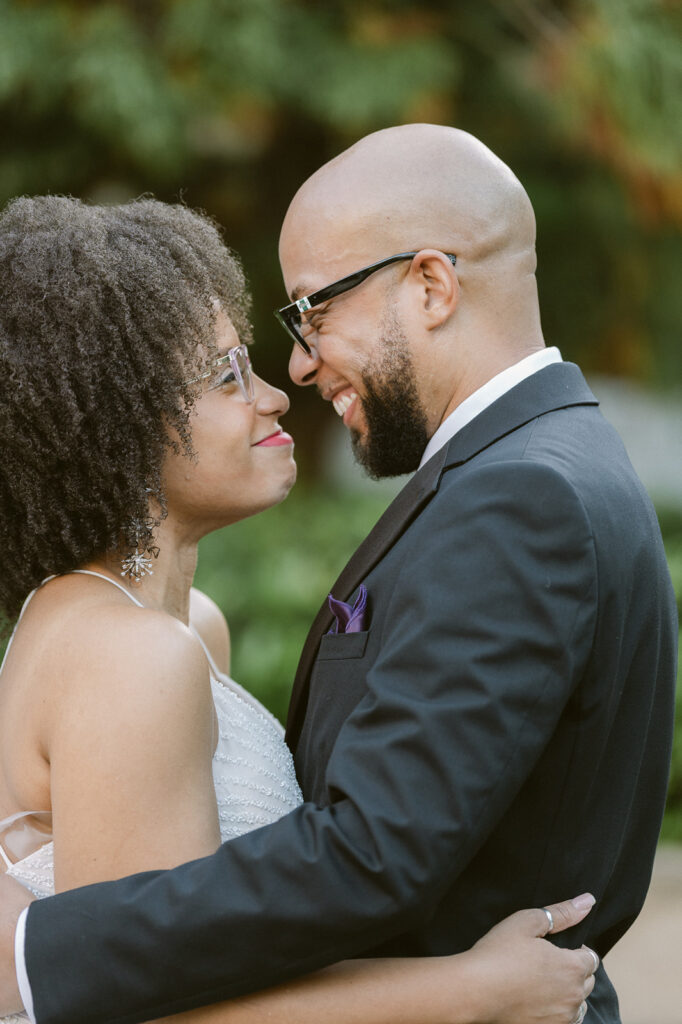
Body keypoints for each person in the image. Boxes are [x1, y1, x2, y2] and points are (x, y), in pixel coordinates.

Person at [3, 124, 677, 1024]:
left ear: (432, 284)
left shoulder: (519, 493)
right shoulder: (546, 465)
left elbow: (374, 851)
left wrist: (34, 953)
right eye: (235, 368)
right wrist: (468, 992)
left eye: (314, 310)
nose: (296, 369)